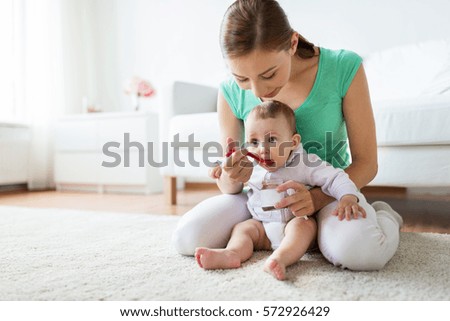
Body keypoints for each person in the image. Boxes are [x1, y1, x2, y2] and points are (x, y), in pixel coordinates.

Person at [172, 0, 403, 271]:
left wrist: (315, 199)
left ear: (293, 44)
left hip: (329, 193)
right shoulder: (229, 92)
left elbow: (367, 163)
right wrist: (232, 175)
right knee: (187, 238)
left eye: (268, 74)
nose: (257, 90)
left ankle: (385, 216)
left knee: (362, 254)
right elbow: (230, 186)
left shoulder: (343, 67)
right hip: (262, 198)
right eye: (242, 78)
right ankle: (310, 238)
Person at [195, 101, 368, 280]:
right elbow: (227, 165)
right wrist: (219, 169)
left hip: (293, 224)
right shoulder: (250, 164)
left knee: (305, 226)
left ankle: (280, 259)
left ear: (293, 142)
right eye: (254, 141)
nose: (262, 149)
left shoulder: (305, 163)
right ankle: (232, 253)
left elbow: (335, 177)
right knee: (243, 229)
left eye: (272, 140)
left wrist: (348, 197)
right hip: (261, 228)